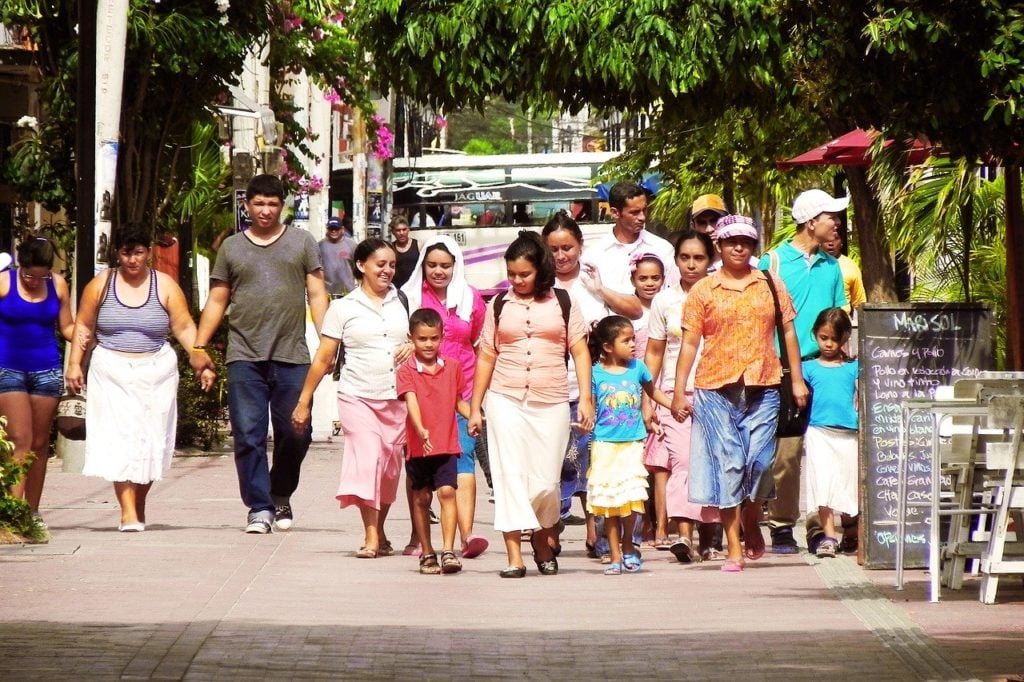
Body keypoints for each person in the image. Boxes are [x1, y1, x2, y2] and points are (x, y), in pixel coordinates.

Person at [190, 174, 327, 534]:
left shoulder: (302, 243)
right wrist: (199, 346)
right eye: (258, 203)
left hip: (292, 354)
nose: (265, 210)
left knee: (297, 432)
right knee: (248, 434)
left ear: (282, 206)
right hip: (244, 356)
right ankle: (260, 507)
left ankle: (280, 491)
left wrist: (330, 338)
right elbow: (218, 299)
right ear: (246, 205)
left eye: (272, 203)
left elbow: (316, 293)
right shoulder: (232, 248)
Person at [671, 215, 808, 572]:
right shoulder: (704, 290)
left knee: (761, 463)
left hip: (764, 384)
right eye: (731, 241)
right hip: (716, 388)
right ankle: (733, 546)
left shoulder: (769, 283)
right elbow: (689, 343)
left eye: (746, 242)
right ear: (718, 245)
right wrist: (678, 391)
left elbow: (789, 332)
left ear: (753, 247)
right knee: (729, 466)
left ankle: (751, 515)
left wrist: (797, 380)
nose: (738, 248)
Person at [67, 225, 214, 531]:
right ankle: (127, 511)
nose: (132, 260)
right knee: (119, 438)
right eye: (125, 253)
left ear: (148, 252)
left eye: (138, 252)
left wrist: (200, 359)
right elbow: (83, 326)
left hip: (156, 371)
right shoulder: (100, 285)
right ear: (117, 253)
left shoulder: (165, 286)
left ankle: (138, 502)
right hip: (110, 369)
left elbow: (185, 327)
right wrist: (75, 365)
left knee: (151, 439)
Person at [468, 231, 595, 578]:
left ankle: (542, 536)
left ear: (540, 270)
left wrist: (585, 397)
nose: (517, 280)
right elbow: (486, 356)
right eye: (511, 274)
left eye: (523, 274)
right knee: (509, 476)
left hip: (551, 399)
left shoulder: (564, 303)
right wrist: (475, 405)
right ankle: (513, 555)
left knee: (545, 482)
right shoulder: (499, 305)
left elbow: (580, 350)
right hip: (504, 399)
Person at [291, 238, 413, 557]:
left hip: (397, 398)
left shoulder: (402, 300)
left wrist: (413, 346)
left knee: (388, 469)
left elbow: (421, 338)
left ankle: (381, 531)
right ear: (361, 266)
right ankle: (371, 536)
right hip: (357, 396)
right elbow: (324, 357)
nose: (387, 270)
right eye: (380, 264)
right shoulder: (343, 308)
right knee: (367, 461)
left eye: (392, 265)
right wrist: (304, 401)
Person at [759, 189, 848, 554]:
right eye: (831, 216)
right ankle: (781, 524)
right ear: (811, 222)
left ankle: (818, 527)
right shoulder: (774, 262)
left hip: (825, 367)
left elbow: (840, 315)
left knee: (825, 449)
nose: (837, 223)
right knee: (788, 452)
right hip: (781, 370)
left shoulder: (833, 266)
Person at [542, 213, 631, 551]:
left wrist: (603, 294)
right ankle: (551, 527)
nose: (561, 256)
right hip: (551, 386)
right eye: (554, 249)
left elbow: (632, 313)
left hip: (594, 387)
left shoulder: (594, 279)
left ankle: (596, 531)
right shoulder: (539, 285)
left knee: (594, 461)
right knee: (558, 462)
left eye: (568, 248)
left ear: (580, 246)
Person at [401, 235, 488, 559]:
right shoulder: (408, 297)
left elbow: (480, 344)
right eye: (432, 265)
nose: (439, 271)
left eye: (445, 266)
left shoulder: (471, 300)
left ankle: (466, 536)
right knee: (420, 467)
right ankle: (418, 536)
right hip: (420, 396)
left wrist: (477, 400)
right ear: (423, 266)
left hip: (461, 391)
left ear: (456, 267)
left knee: (462, 459)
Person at [643, 231, 723, 562]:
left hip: (719, 392)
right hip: (676, 397)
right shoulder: (664, 301)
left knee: (713, 464)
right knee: (684, 462)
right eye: (684, 258)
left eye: (699, 258)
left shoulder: (721, 295)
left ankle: (709, 540)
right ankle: (684, 536)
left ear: (711, 261)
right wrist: (648, 400)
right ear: (676, 260)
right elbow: (654, 354)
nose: (691, 265)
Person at [587, 315, 673, 575]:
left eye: (633, 339)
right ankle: (613, 554)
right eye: (626, 341)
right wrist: (585, 420)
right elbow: (589, 405)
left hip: (632, 443)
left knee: (632, 498)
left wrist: (674, 405)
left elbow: (652, 391)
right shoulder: (595, 373)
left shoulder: (638, 368)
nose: (633, 345)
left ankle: (628, 545)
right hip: (604, 444)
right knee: (610, 502)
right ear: (607, 346)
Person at [0, 237, 75, 526]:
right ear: (20, 265)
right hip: (8, 367)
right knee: (20, 438)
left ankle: (32, 511)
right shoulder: (5, 282)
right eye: (29, 274)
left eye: (41, 275)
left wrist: (84, 334)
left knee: (40, 443)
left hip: (46, 369)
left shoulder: (57, 285)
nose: (34, 281)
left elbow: (67, 326)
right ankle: (12, 511)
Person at [397, 308, 470, 575]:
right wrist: (420, 428)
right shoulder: (406, 371)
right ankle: (427, 552)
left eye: (434, 338)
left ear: (442, 337)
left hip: (447, 443)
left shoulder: (453, 367)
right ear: (411, 338)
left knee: (448, 492)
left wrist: (476, 416)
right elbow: (411, 400)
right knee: (421, 497)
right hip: (418, 446)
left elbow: (458, 400)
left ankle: (448, 550)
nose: (428, 344)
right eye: (422, 339)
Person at [801, 307, 859, 558]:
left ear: (845, 337)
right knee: (822, 484)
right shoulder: (808, 368)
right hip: (818, 432)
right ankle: (828, 536)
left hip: (849, 433)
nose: (828, 343)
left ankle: (852, 533)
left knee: (849, 483)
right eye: (824, 337)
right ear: (815, 335)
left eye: (834, 338)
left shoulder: (853, 368)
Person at [582, 182, 679, 298]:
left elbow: (674, 293)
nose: (642, 217)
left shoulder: (662, 249)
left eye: (644, 210)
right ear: (615, 213)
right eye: (634, 212)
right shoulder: (594, 255)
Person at [821, 232, 866, 313]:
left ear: (841, 243)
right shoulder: (813, 265)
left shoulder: (851, 266)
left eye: (836, 238)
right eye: (827, 238)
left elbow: (859, 302)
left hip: (841, 322)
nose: (831, 243)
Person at [320, 217, 358, 296]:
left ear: (342, 229)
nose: (334, 231)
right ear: (327, 229)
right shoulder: (320, 245)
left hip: (347, 293)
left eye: (336, 229)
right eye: (331, 228)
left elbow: (358, 267)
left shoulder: (352, 245)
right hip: (327, 293)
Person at [390, 216, 419, 288]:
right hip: (397, 289)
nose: (401, 233)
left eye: (404, 229)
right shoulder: (390, 248)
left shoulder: (418, 245)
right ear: (393, 232)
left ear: (408, 229)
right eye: (398, 230)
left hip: (415, 288)